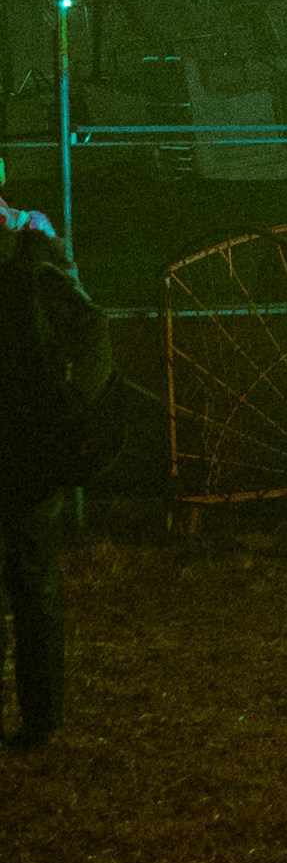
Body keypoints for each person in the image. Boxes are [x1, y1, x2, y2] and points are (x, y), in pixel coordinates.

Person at [0, 190, 112, 745]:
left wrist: (70, 411)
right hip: (32, 444)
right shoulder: (33, 248)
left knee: (32, 584)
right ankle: (41, 720)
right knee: (35, 587)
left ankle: (41, 721)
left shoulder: (31, 255)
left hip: (28, 443)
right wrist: (73, 410)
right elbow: (92, 331)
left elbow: (92, 333)